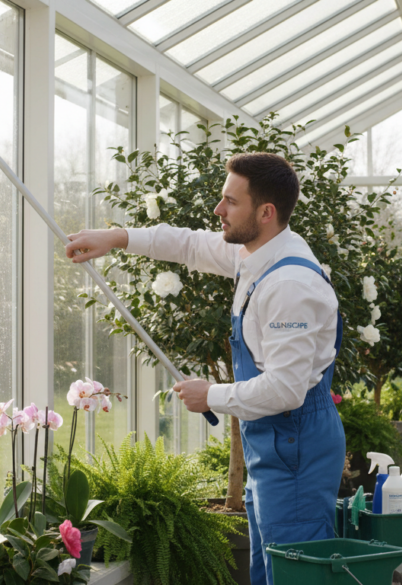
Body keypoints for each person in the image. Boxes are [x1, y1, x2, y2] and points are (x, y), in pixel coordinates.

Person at [64, 152, 346, 585]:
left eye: (231, 202)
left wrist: (211, 395)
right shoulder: (259, 254)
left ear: (266, 213)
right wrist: (116, 237)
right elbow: (190, 244)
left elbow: (286, 390)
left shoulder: (289, 285)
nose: (218, 211)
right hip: (273, 445)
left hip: (295, 445)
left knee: (294, 573)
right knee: (269, 570)